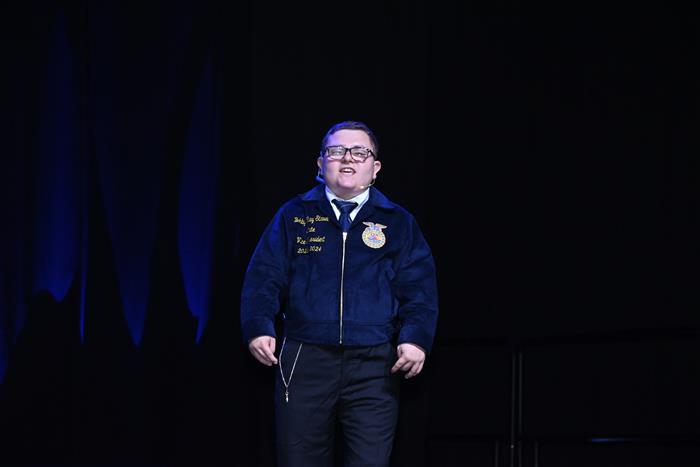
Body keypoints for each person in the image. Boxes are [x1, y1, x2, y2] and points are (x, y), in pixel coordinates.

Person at [240, 120, 439, 467]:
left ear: (375, 168)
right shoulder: (294, 215)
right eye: (336, 151)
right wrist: (258, 327)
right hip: (306, 358)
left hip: (374, 363)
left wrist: (416, 339)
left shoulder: (398, 222)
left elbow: (419, 288)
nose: (347, 158)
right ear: (320, 163)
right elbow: (264, 276)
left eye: (360, 152)